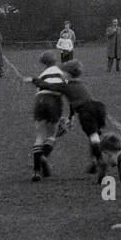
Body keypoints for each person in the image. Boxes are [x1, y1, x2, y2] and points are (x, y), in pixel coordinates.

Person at [56, 60, 109, 176]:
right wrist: (71, 116)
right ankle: (94, 162)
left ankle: (100, 160)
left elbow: (50, 86)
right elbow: (73, 100)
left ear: (69, 74)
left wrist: (35, 81)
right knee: (94, 135)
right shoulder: (80, 84)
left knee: (93, 137)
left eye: (64, 72)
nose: (62, 74)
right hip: (99, 108)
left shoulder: (67, 86)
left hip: (86, 111)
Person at [23, 51, 68, 181]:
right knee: (51, 135)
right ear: (55, 61)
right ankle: (44, 157)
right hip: (54, 101)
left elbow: (39, 91)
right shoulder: (61, 72)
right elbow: (65, 88)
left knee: (40, 136)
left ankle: (36, 171)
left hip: (39, 101)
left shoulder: (42, 74)